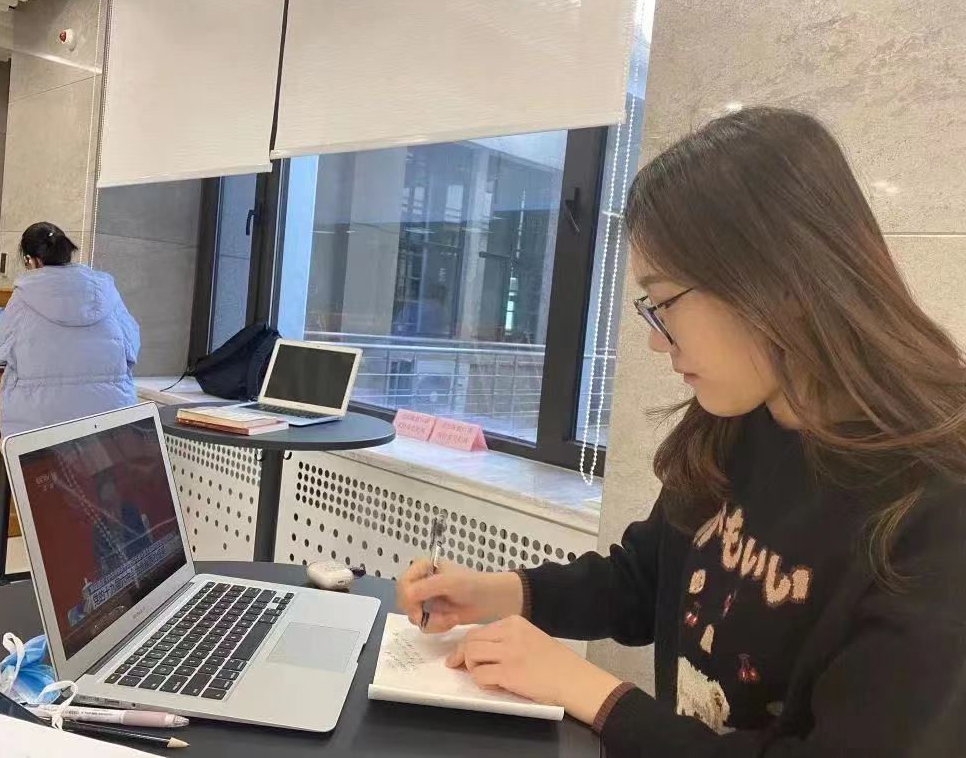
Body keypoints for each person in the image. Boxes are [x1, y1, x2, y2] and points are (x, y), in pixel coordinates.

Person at [396, 107, 966, 756]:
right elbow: (648, 580)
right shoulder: (736, 422)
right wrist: (500, 594)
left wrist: (595, 694)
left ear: (780, 282)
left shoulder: (937, 505)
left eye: (664, 303)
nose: (655, 339)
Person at [0, 222, 140, 436]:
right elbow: (132, 349)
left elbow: (1, 351)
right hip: (109, 423)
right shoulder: (107, 291)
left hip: (40, 425)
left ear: (32, 260)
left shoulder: (23, 296)